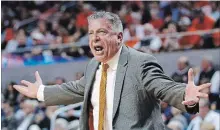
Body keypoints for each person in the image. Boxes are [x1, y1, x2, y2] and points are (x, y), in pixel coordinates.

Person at [14, 11, 211, 130]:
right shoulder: (93, 65)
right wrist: (40, 92)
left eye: (101, 32)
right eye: (91, 33)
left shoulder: (141, 62)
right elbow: (75, 89)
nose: (94, 38)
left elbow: (163, 87)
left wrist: (185, 95)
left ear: (119, 37)